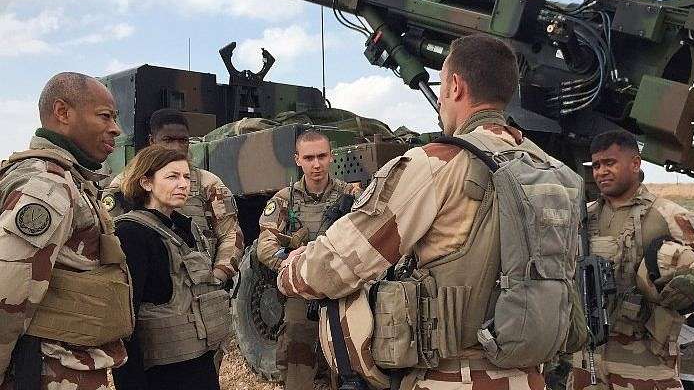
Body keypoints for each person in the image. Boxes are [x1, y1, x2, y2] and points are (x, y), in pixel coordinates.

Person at [277, 34, 581, 390]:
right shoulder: (553, 171)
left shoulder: (438, 163)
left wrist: (291, 270)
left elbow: (338, 264)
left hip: (455, 377)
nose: (438, 100)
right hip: (531, 377)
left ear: (455, 86)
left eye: (440, 88)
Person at [568, 131, 694, 390]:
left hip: (646, 359)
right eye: (596, 165)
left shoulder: (667, 214)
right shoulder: (583, 217)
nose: (601, 172)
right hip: (588, 359)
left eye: (610, 163)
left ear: (635, 163)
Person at [0, 72, 131, 389]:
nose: (116, 128)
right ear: (62, 113)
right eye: (105, 116)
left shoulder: (70, 180)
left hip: (63, 366)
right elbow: (8, 292)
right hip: (45, 370)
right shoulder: (48, 185)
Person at [111, 145, 230, 390]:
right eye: (172, 176)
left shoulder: (186, 227)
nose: (183, 184)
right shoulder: (131, 233)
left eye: (186, 177)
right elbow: (123, 323)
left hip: (200, 365)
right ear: (146, 183)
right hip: (162, 375)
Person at [256, 130, 359, 390]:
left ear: (331, 157)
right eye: (309, 157)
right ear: (297, 159)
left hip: (342, 291)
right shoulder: (284, 200)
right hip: (301, 293)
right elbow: (265, 245)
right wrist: (289, 261)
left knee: (346, 362)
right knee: (297, 361)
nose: (316, 164)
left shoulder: (350, 196)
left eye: (322, 156)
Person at [102, 108, 243, 284]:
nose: (176, 147)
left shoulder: (208, 183)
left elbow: (230, 234)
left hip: (199, 281)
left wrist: (219, 275)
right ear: (152, 141)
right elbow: (107, 234)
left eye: (182, 140)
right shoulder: (126, 183)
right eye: (168, 140)